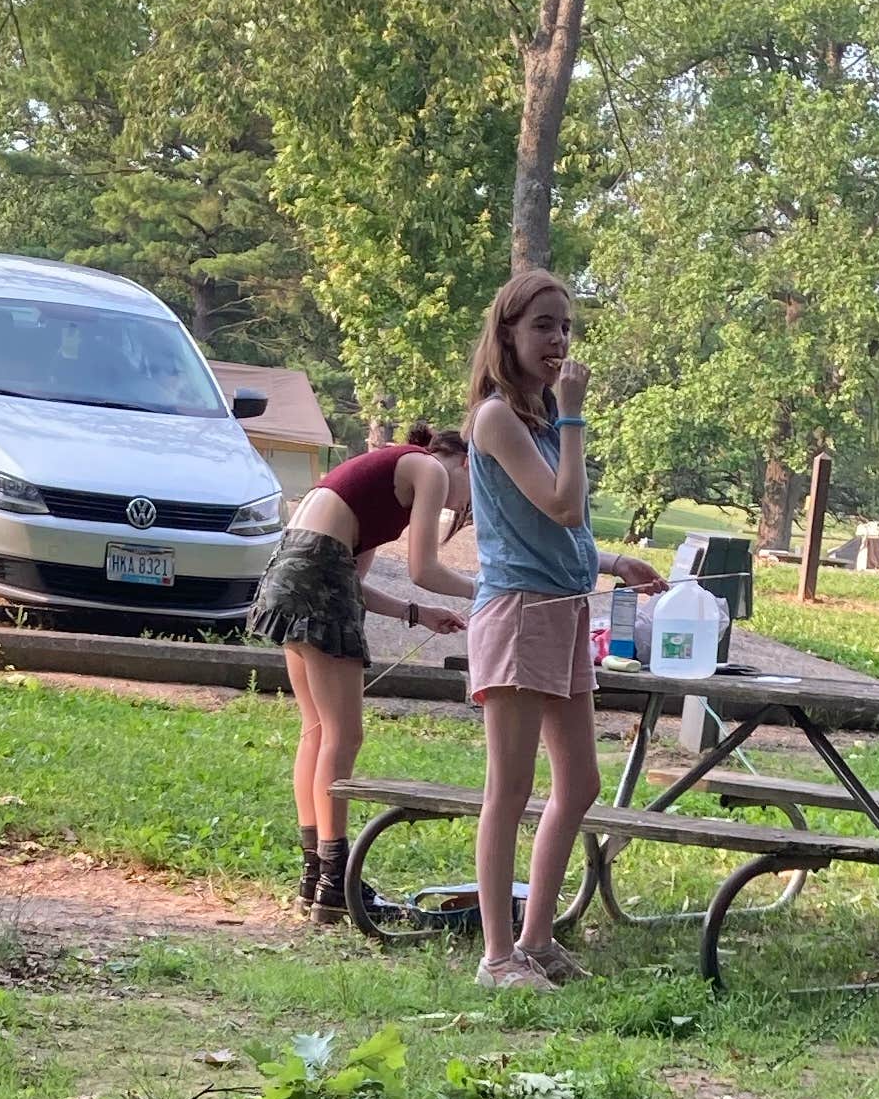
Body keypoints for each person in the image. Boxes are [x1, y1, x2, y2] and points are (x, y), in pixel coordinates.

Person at [464, 274, 652, 987]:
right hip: (517, 615)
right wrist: (573, 415)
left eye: (566, 327)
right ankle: (495, 956)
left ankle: (537, 940)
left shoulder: (540, 420)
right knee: (508, 789)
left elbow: (551, 529)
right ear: (507, 332)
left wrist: (613, 562)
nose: (559, 341)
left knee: (579, 780)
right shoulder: (497, 419)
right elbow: (565, 505)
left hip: (563, 610)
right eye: (544, 326)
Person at [247, 424, 475, 919]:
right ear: (462, 462)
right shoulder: (430, 467)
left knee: (318, 731)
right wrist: (489, 590)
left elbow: (353, 580)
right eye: (469, 497)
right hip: (315, 577)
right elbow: (423, 568)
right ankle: (336, 880)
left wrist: (417, 614)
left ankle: (317, 874)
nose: (459, 509)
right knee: (344, 738)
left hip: (289, 572)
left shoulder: (385, 478)